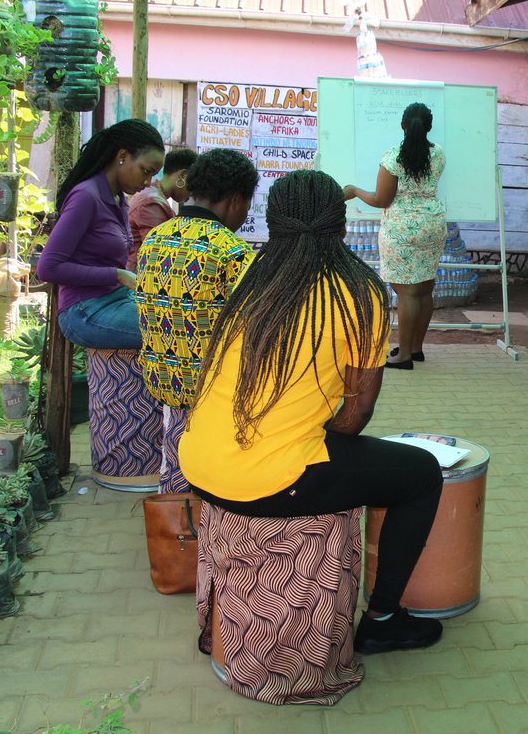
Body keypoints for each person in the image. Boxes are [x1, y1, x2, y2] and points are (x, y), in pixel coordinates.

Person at [180, 169, 446, 655]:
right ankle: (383, 617)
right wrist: (314, 431)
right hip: (271, 479)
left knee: (346, 455)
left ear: (271, 223)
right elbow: (357, 412)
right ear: (340, 225)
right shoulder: (360, 292)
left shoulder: (250, 275)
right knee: (423, 473)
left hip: (198, 461)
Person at [134, 148, 258, 493]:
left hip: (165, 386)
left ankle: (175, 524)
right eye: (247, 204)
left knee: (176, 468)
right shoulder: (232, 252)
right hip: (213, 395)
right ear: (235, 200)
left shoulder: (155, 239)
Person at [37, 119, 165, 350]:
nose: (147, 183)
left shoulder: (119, 199)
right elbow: (47, 268)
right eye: (145, 172)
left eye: (152, 175)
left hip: (116, 299)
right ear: (122, 156)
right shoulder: (86, 196)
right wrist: (117, 275)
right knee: (175, 330)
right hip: (83, 310)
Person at [343, 102, 445, 369]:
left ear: (402, 125)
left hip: (402, 230)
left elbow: (381, 199)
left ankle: (404, 356)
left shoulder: (393, 157)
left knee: (407, 293)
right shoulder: (439, 155)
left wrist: (354, 191)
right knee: (424, 289)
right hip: (433, 225)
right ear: (429, 127)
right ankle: (416, 348)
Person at [126, 147, 197, 271]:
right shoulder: (152, 203)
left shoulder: (153, 196)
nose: (194, 193)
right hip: (135, 283)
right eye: (195, 184)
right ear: (183, 175)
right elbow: (160, 255)